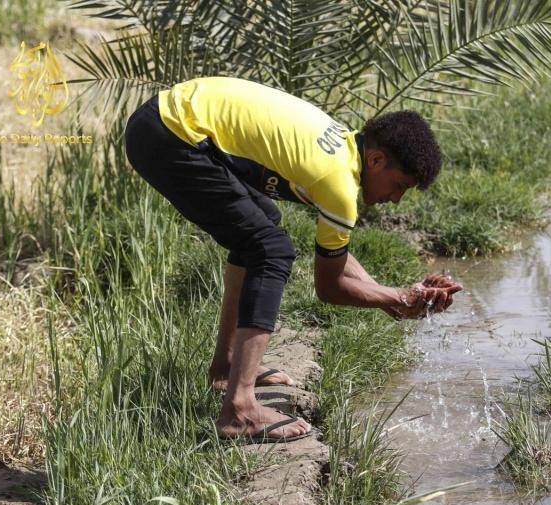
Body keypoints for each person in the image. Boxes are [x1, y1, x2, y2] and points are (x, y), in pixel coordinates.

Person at [124, 77, 462, 443]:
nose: (395, 199)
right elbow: (329, 287)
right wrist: (396, 299)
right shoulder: (337, 181)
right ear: (377, 160)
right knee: (269, 248)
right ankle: (239, 409)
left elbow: (337, 259)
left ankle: (226, 367)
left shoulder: (343, 153)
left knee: (261, 228)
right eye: (399, 186)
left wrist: (395, 296)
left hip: (164, 123)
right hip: (171, 135)